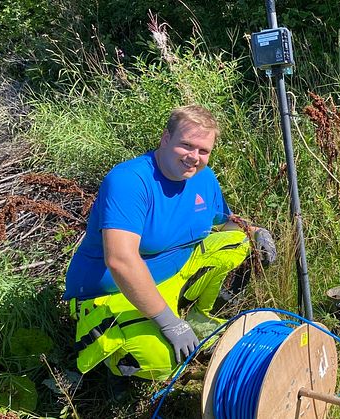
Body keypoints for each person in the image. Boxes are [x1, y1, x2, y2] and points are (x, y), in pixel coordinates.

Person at [63, 105, 276, 381]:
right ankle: (120, 362)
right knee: (162, 361)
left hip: (174, 275)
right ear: (165, 138)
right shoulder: (130, 181)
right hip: (111, 292)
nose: (194, 158)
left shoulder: (203, 178)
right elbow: (120, 260)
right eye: (186, 145)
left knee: (238, 243)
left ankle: (199, 320)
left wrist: (256, 231)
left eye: (203, 151)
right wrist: (169, 323)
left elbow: (225, 222)